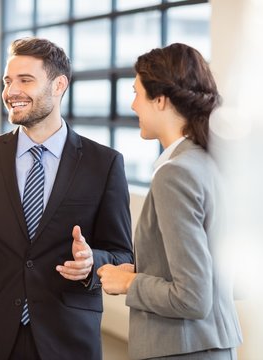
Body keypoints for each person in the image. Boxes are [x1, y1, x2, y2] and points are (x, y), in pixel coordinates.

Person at [0, 37, 133, 360]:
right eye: (8, 81)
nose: (11, 92)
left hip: (68, 338)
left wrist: (92, 263)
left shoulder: (102, 164)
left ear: (59, 85)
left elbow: (122, 255)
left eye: (25, 80)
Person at [97, 43, 243, 359]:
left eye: (137, 93)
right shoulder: (211, 161)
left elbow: (191, 297)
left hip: (182, 349)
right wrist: (149, 268)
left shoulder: (175, 174)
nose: (134, 105)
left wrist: (128, 282)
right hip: (209, 344)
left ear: (160, 100)